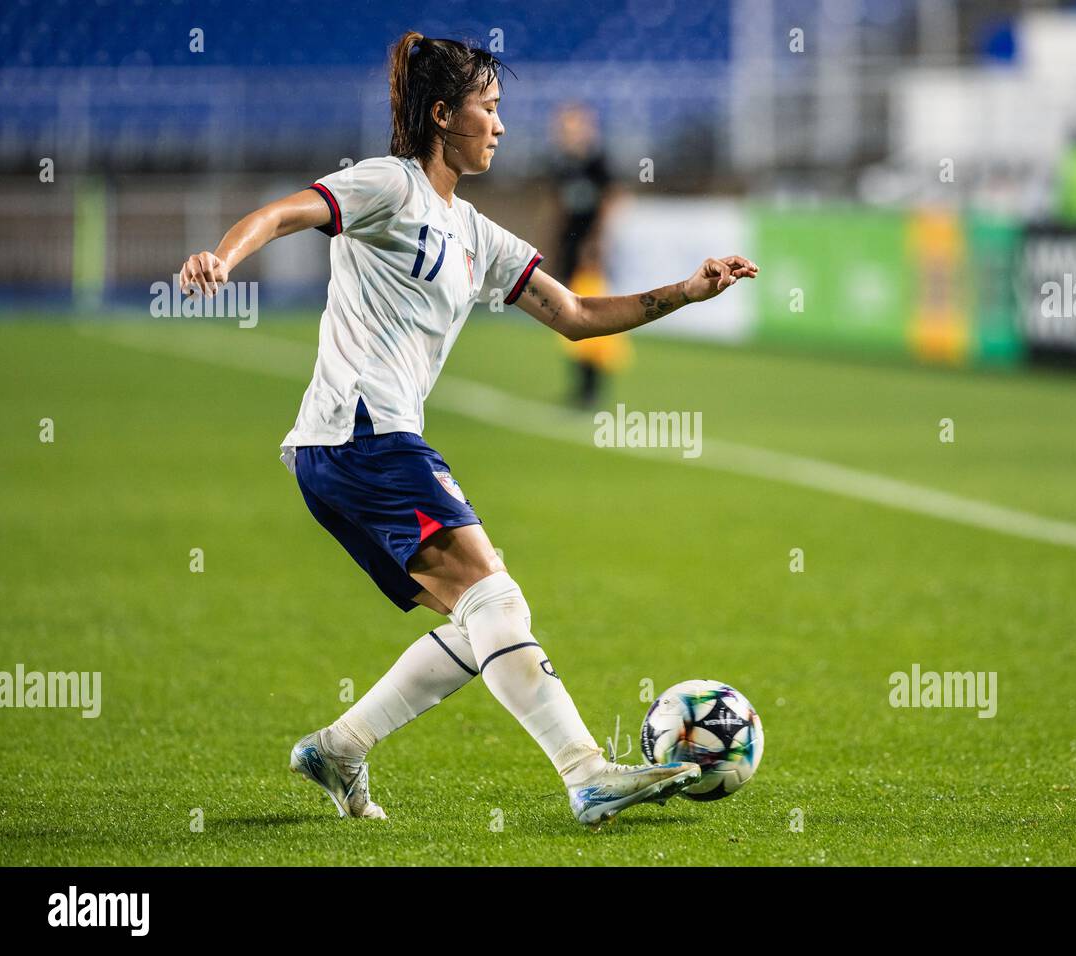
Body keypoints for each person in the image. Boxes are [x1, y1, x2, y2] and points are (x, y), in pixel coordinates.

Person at [177, 33, 758, 827]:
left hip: (352, 447)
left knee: (487, 615)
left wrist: (685, 292)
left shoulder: (475, 232)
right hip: (364, 435)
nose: (501, 125)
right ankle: (587, 774)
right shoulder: (390, 185)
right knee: (495, 599)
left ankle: (342, 746)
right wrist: (222, 256)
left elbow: (576, 315)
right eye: (490, 108)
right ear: (443, 115)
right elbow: (283, 213)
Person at [548, 103, 628, 408]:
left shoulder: (597, 162)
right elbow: (559, 207)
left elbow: (611, 200)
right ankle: (580, 385)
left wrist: (596, 241)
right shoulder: (562, 165)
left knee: (591, 313)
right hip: (570, 248)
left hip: (589, 251)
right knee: (569, 313)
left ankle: (593, 387)